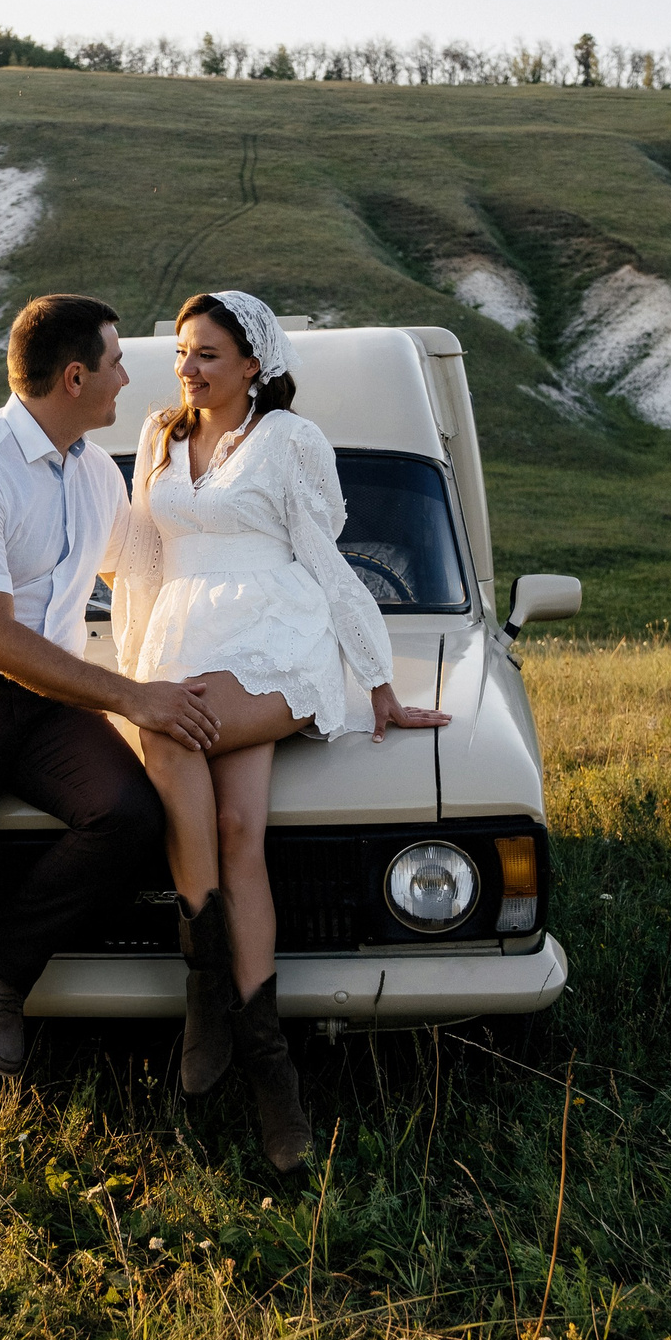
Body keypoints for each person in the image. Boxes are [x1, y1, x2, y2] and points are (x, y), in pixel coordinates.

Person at [0, 293, 221, 1229]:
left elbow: (144, 562)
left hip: (46, 703)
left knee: (131, 816)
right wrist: (133, 697)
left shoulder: (96, 471)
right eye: (116, 362)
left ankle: (0, 961)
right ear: (75, 377)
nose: (128, 377)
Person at [110, 291, 452, 1173]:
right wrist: (133, 670)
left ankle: (208, 993)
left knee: (173, 733)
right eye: (183, 352)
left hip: (272, 636)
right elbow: (144, 560)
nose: (188, 368)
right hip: (184, 640)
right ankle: (270, 1066)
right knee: (236, 829)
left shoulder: (290, 440)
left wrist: (378, 680)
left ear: (253, 364)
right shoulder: (158, 437)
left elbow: (324, 558)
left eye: (208, 354)